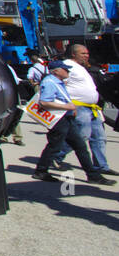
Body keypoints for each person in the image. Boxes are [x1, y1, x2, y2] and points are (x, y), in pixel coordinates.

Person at [32, 60, 112, 185]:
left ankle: (93, 175)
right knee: (54, 146)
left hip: (66, 118)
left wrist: (70, 109)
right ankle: (41, 171)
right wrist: (67, 107)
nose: (68, 71)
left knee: (80, 146)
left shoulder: (57, 82)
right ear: (56, 71)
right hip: (59, 120)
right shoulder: (50, 82)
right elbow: (44, 102)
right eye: (65, 69)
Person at [48, 44, 116, 176]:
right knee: (81, 135)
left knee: (99, 137)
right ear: (74, 54)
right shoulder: (67, 66)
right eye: (83, 53)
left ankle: (101, 166)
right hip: (78, 107)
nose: (87, 55)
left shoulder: (82, 68)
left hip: (92, 108)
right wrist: (68, 105)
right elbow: (60, 86)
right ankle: (55, 156)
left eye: (87, 53)